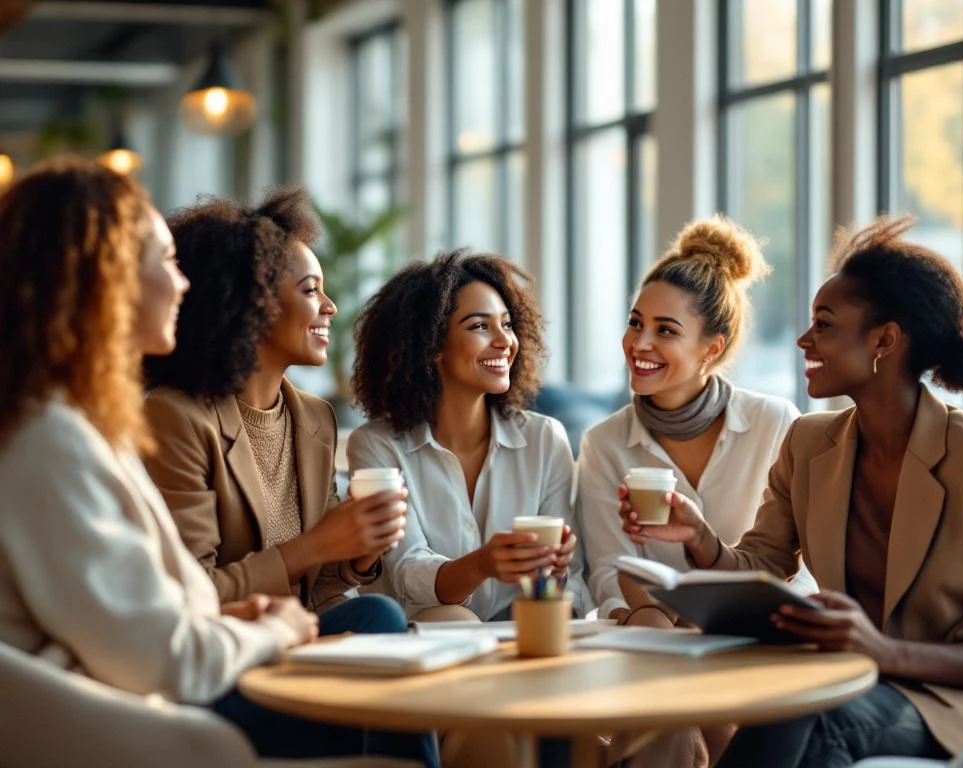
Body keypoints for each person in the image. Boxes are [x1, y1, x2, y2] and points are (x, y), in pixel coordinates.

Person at [0, 158, 436, 765]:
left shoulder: (82, 427)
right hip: (134, 717)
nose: (182, 284)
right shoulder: (58, 441)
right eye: (164, 264)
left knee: (381, 630)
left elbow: (153, 605)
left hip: (175, 672)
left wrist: (333, 564)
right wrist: (268, 627)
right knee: (389, 682)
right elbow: (157, 654)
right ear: (107, 279)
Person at [621, 215, 963, 768]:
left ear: (884, 340)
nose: (804, 339)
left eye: (824, 324)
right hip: (843, 677)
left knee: (810, 718)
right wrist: (700, 537)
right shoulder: (809, 443)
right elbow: (764, 562)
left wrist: (885, 652)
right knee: (771, 701)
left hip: (953, 700)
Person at [576, 216, 801, 768]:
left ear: (711, 348)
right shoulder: (605, 443)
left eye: (666, 331)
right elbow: (606, 569)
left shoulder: (775, 424)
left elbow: (795, 567)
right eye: (636, 323)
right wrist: (663, 630)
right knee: (671, 721)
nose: (640, 344)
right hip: (650, 637)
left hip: (760, 638)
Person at [142, 188, 408, 637]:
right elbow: (189, 593)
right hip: (226, 643)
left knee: (378, 614)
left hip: (294, 635)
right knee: (380, 621)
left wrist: (360, 552)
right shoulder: (176, 417)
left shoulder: (313, 418)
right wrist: (313, 546)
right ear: (253, 304)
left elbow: (319, 590)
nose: (330, 307)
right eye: (310, 291)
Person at [346, 250, 592, 623]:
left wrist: (554, 571)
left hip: (522, 630)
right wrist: (482, 564)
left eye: (507, 325)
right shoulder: (377, 446)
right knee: (453, 618)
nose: (504, 342)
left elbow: (571, 578)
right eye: (480, 326)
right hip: (427, 638)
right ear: (432, 347)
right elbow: (407, 571)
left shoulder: (545, 439)